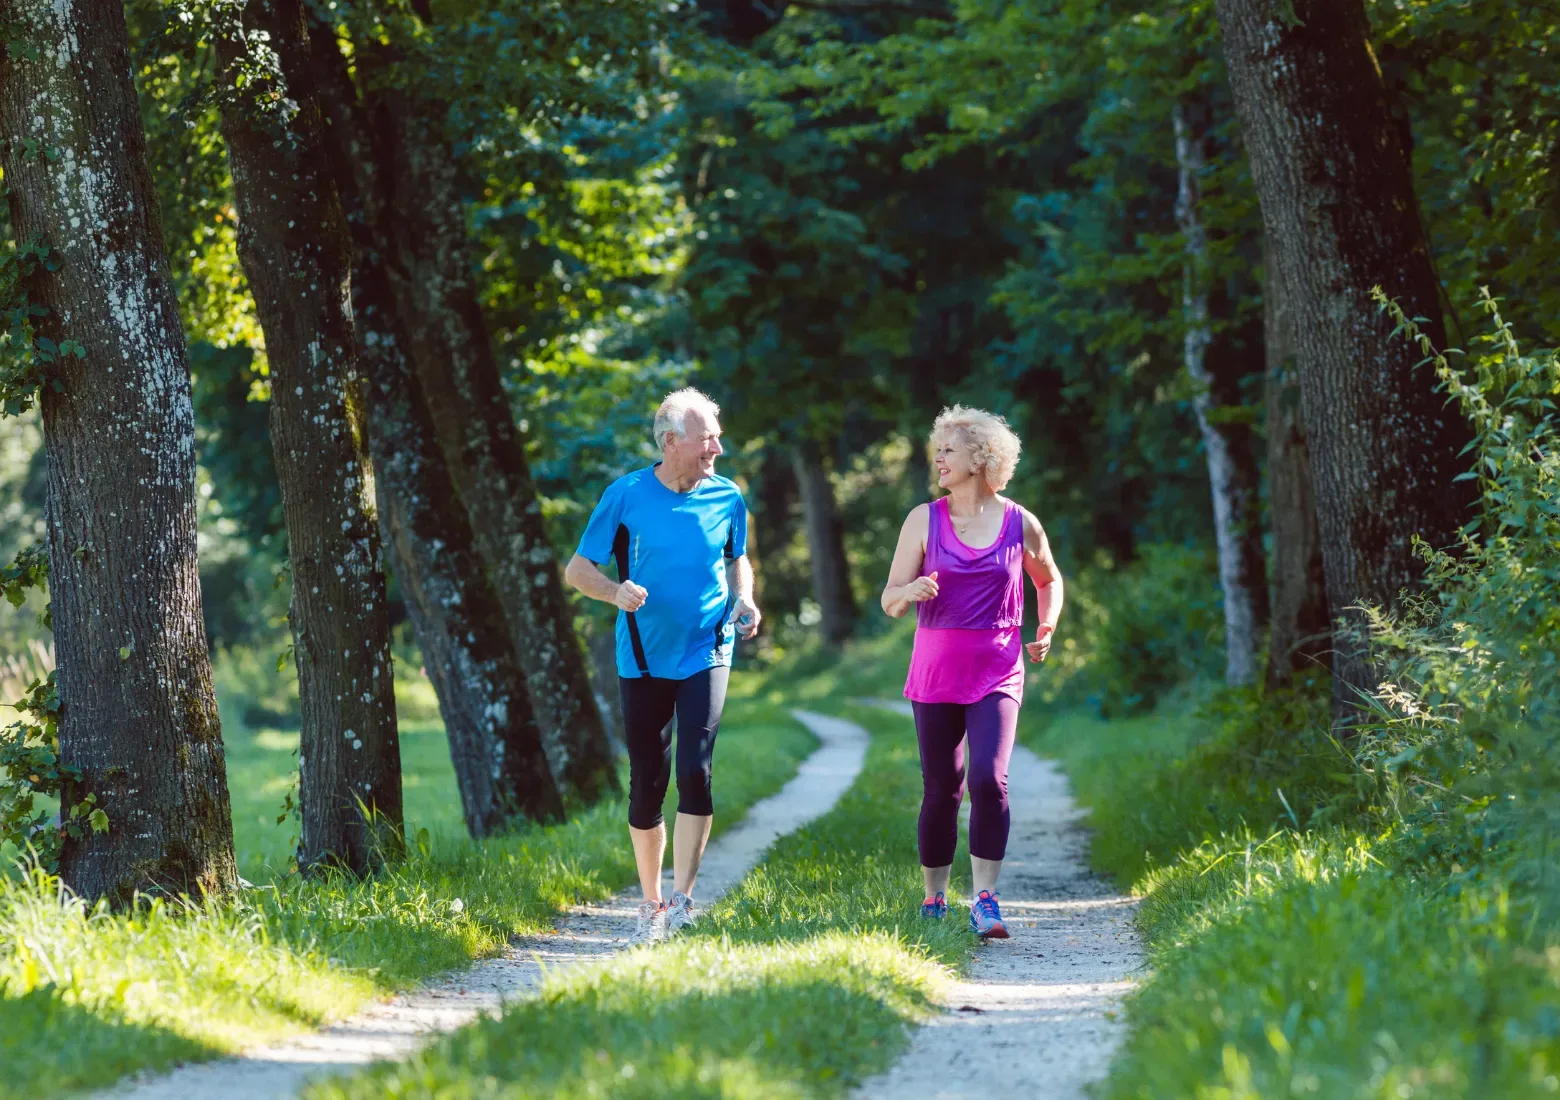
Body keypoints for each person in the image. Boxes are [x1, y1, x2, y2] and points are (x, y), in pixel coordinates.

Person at [564, 387, 761, 944]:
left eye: (717, 438)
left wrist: (745, 598)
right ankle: (650, 902)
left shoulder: (727, 497)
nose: (716, 449)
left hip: (708, 647)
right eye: (707, 439)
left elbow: (737, 559)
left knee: (695, 770)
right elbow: (577, 570)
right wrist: (613, 592)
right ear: (672, 442)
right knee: (648, 779)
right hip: (643, 656)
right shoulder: (625, 496)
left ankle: (682, 899)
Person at [880, 405, 1064, 939]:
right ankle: (934, 899)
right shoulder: (923, 519)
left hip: (998, 669)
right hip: (935, 673)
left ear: (982, 458)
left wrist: (1046, 626)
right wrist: (908, 592)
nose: (938, 458)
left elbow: (1048, 580)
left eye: (950, 450)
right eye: (938, 449)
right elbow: (889, 598)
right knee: (942, 788)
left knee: (990, 779)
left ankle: (985, 898)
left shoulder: (1019, 522)